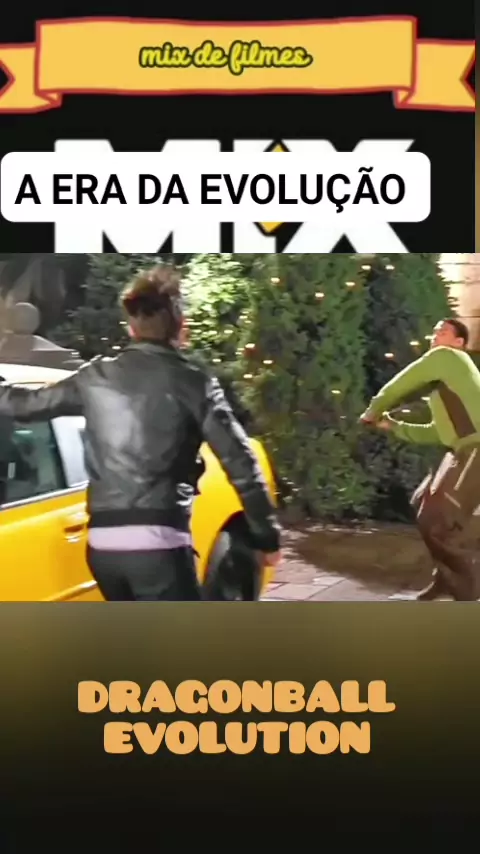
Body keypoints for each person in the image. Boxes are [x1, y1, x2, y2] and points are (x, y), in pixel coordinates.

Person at [0, 264, 281, 601]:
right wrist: (267, 537)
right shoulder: (194, 382)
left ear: (132, 328)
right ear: (181, 326)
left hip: (103, 550)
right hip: (159, 545)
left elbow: (23, 405)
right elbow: (241, 464)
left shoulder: (95, 377)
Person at [359, 318, 480, 602]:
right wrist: (393, 426)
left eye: (443, 332)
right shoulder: (448, 385)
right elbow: (437, 432)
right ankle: (446, 580)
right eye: (435, 331)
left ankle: (467, 594)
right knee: (423, 502)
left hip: (476, 449)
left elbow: (402, 382)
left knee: (438, 519)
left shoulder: (449, 357)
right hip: (463, 450)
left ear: (459, 343)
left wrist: (373, 410)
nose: (435, 336)